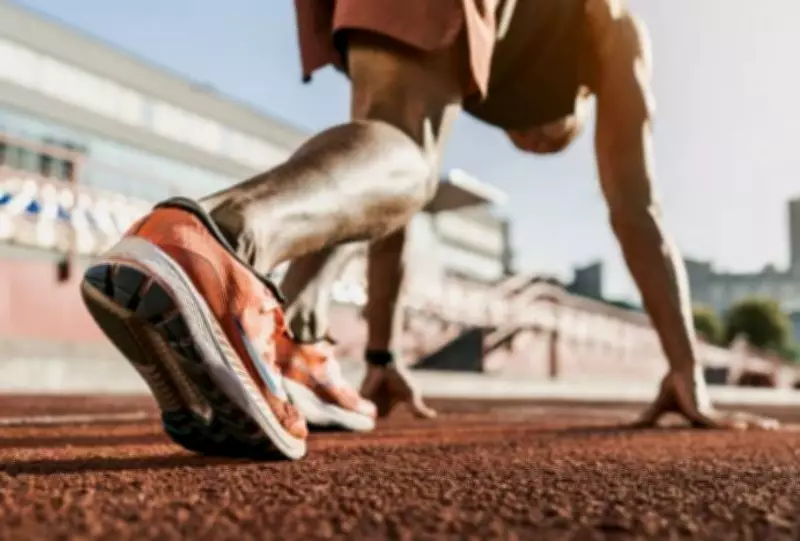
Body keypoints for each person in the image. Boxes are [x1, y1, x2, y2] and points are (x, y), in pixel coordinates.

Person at [80, 0, 777, 461]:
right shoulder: (613, 26)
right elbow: (636, 206)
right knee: (404, 158)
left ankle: (293, 342)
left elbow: (378, 207)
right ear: (579, 101)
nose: (529, 142)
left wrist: (381, 353)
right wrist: (688, 368)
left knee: (379, 164)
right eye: (548, 137)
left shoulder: (498, 48)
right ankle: (215, 243)